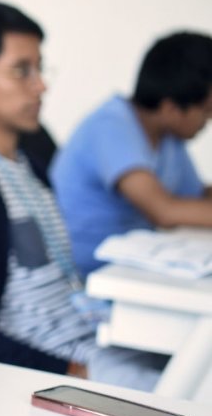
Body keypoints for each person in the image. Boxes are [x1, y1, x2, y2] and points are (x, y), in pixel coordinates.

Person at [0, 1, 165, 390]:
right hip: (53, 366)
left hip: (93, 343)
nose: (41, 85)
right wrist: (69, 373)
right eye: (22, 71)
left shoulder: (32, 165)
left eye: (39, 68)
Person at [51, 32, 212, 276]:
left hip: (132, 267)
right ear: (170, 108)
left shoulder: (169, 138)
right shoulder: (111, 127)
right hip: (89, 275)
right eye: (207, 110)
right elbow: (165, 211)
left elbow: (197, 196)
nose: (208, 120)